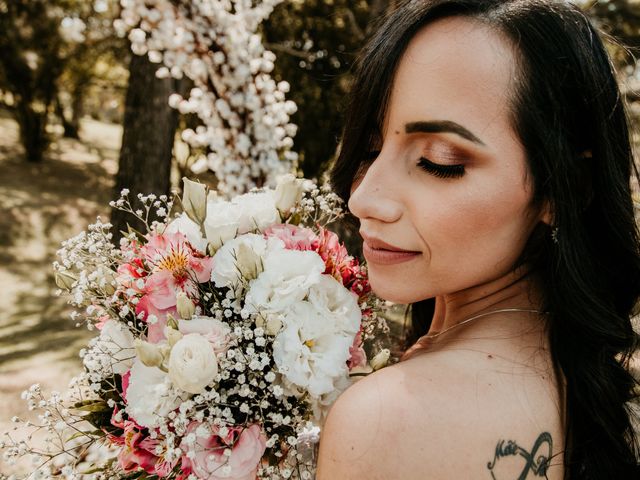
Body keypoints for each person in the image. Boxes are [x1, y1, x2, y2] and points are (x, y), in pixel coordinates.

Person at [316, 0, 640, 478]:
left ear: (565, 186)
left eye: (438, 161)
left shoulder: (389, 419)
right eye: (370, 148)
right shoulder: (579, 382)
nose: (364, 197)